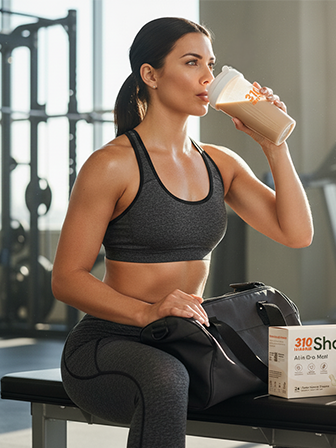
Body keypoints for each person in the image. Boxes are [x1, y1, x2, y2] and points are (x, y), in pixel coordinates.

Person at [51, 17, 313, 448]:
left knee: (290, 370)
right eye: (191, 63)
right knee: (166, 378)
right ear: (150, 75)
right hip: (111, 343)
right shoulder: (112, 164)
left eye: (210, 64)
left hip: (185, 338)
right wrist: (146, 313)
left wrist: (273, 143)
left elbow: (296, 233)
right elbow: (67, 278)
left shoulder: (220, 163)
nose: (207, 76)